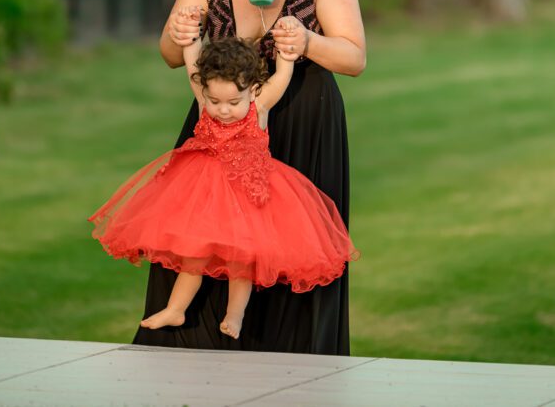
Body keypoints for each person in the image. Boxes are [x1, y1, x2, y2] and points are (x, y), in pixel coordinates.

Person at [134, 0, 366, 355]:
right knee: (196, 248)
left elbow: (353, 57)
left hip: (301, 125)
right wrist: (176, 34)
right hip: (219, 131)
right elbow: (174, 56)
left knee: (288, 269)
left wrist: (306, 42)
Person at [89, 32, 357, 340]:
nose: (223, 110)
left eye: (232, 102)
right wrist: (191, 42)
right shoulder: (206, 100)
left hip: (248, 193)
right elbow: (193, 69)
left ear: (253, 90)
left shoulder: (258, 107)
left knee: (241, 262)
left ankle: (235, 314)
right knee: (193, 257)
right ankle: (176, 308)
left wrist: (286, 54)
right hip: (206, 192)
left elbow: (283, 76)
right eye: (215, 101)